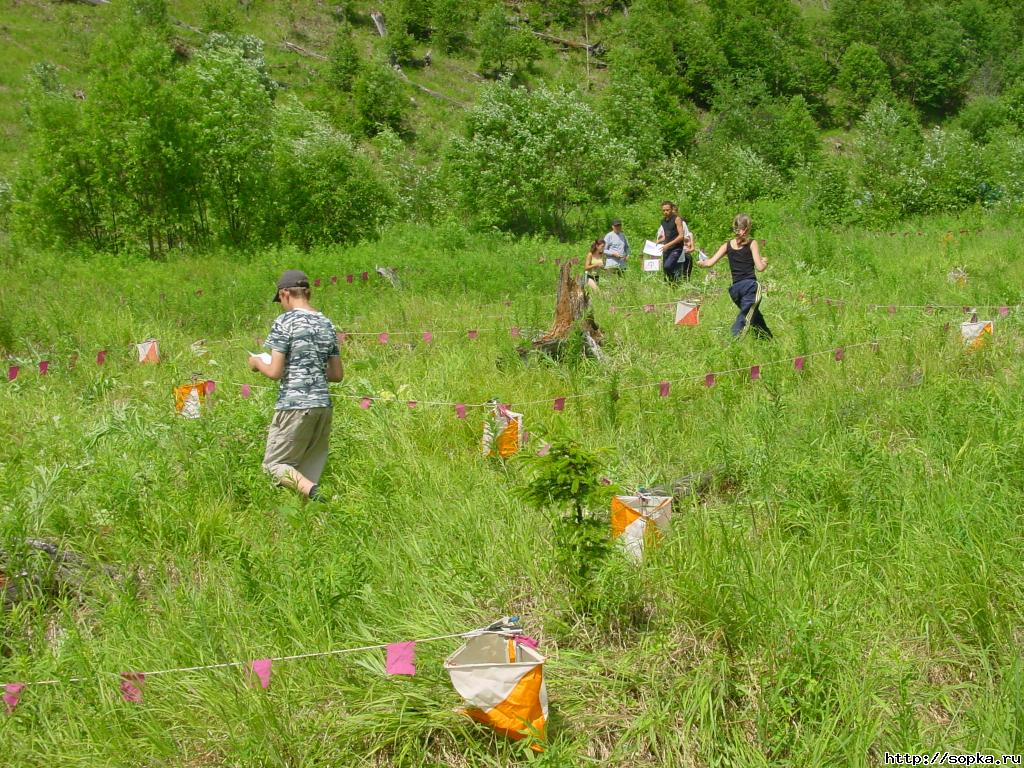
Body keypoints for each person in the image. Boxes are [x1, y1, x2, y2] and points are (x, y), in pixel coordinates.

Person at [249, 269, 344, 501]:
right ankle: (313, 515)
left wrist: (256, 362)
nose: (281, 305)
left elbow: (275, 371)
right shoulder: (326, 323)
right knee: (306, 470)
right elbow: (337, 374)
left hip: (294, 405)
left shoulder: (285, 322)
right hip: (323, 405)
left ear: (285, 294)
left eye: (280, 300)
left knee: (274, 465)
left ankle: (316, 493)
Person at [698, 214, 772, 339]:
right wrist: (765, 262)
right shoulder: (752, 243)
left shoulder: (726, 245)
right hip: (750, 287)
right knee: (744, 317)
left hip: (736, 290)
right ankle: (733, 340)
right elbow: (760, 267)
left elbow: (709, 263)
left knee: (754, 316)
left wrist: (701, 263)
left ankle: (768, 340)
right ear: (748, 228)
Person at [655, 201, 692, 282]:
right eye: (663, 210)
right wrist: (659, 241)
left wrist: (668, 245)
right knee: (665, 271)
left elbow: (681, 236)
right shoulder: (663, 221)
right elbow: (667, 235)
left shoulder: (677, 219)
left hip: (676, 249)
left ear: (672, 209)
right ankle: (671, 286)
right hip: (666, 249)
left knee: (668, 266)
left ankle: (676, 281)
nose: (665, 212)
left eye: (667, 210)